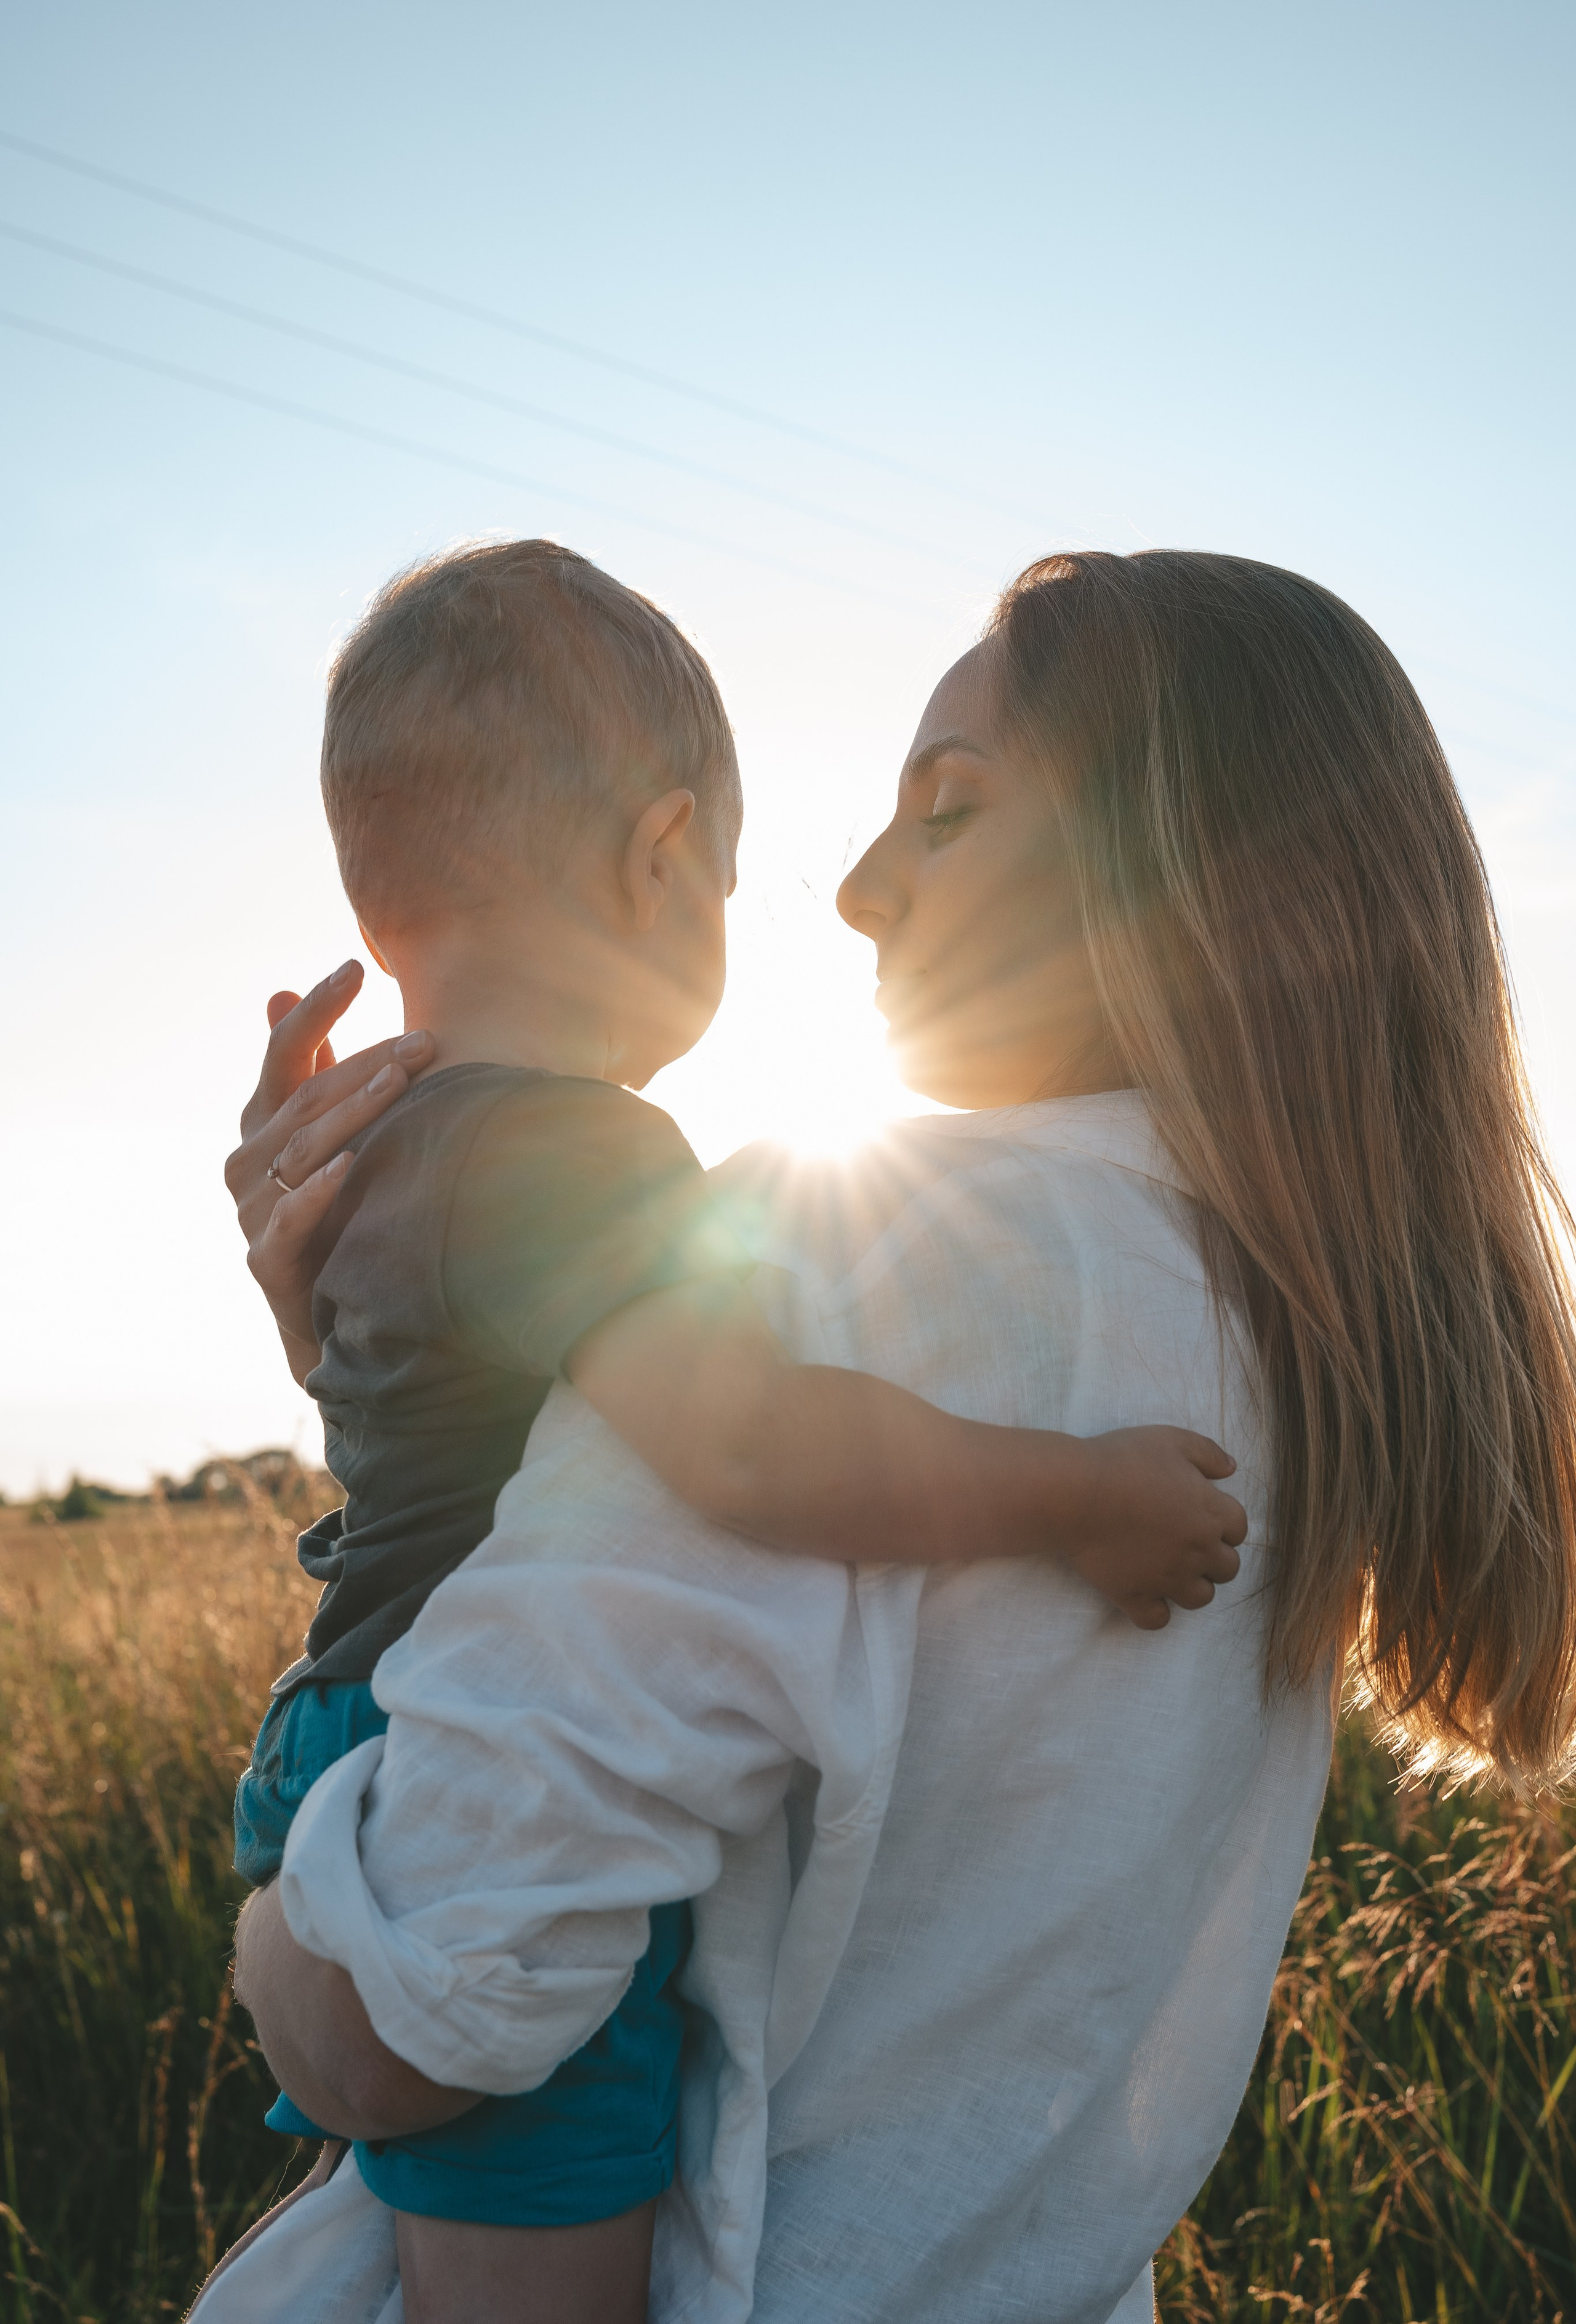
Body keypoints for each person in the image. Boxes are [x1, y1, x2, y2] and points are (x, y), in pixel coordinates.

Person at [214, 550, 1576, 2324]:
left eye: (947, 809)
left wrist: (276, 1932)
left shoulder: (865, 1261)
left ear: (1180, 871)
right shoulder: (1307, 1351)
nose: (853, 890)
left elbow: (422, 2004)